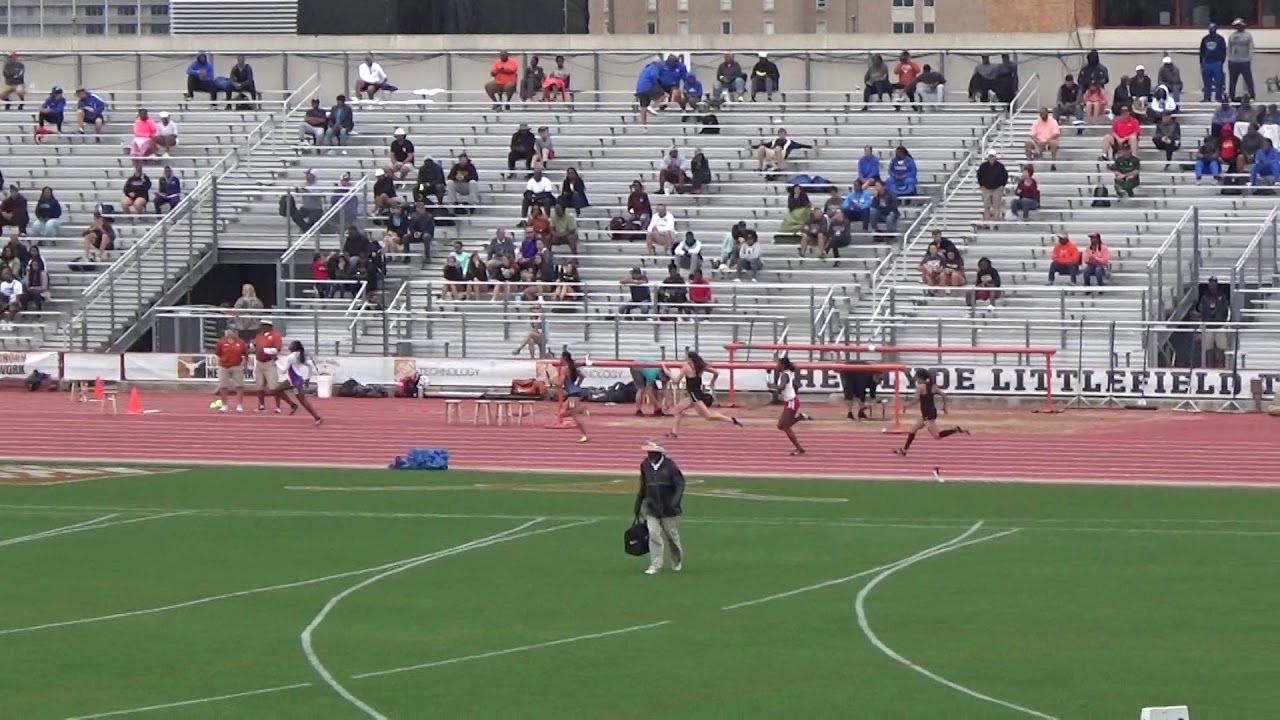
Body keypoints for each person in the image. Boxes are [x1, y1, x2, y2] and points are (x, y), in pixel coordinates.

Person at [893, 369, 969, 463]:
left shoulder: (920, 387)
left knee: (937, 436)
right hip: (930, 412)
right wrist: (944, 407)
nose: (916, 379)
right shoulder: (932, 386)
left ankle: (956, 429)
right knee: (913, 430)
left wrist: (906, 406)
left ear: (920, 378)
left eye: (917, 377)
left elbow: (915, 400)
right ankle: (904, 450)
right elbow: (944, 395)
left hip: (927, 414)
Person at [634, 440, 686, 576]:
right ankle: (655, 564)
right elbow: (643, 484)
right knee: (653, 534)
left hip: (668, 507)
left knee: (672, 536)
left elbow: (680, 484)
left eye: (652, 452)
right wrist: (638, 503)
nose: (649, 454)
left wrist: (675, 501)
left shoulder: (670, 466)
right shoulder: (645, 465)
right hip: (651, 507)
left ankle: (677, 560)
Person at [666, 351, 741, 438]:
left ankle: (732, 420)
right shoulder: (700, 367)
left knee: (709, 416)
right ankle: (673, 432)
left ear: (690, 359)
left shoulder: (686, 367)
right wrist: (712, 382)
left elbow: (676, 381)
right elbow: (716, 373)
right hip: (694, 394)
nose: (685, 360)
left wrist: (668, 373)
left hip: (694, 396)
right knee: (678, 410)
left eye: (687, 358)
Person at [272, 340, 323, 426]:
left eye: (291, 344)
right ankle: (292, 405)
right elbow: (310, 366)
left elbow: (283, 370)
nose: (289, 346)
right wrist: (308, 378)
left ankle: (317, 417)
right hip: (292, 380)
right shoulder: (301, 355)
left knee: (302, 401)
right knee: (277, 390)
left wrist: (276, 361)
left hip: (295, 382)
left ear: (294, 347)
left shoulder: (291, 357)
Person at [773, 356, 805, 456]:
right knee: (780, 426)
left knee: (785, 427)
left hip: (791, 402)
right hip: (790, 401)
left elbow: (782, 387)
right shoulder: (787, 373)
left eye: (778, 364)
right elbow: (794, 385)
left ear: (782, 365)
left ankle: (799, 449)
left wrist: (774, 387)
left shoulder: (785, 375)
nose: (776, 366)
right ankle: (801, 417)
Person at [250, 317, 283, 413]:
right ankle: (261, 405)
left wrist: (263, 349)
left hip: (269, 362)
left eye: (263, 325)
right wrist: (252, 345)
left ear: (268, 326)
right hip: (259, 362)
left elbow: (276, 349)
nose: (261, 327)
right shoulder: (259, 336)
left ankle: (278, 406)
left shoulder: (276, 336)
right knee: (259, 386)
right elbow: (253, 348)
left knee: (274, 387)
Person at [211, 326, 248, 413]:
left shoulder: (241, 342)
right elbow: (218, 354)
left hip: (236, 366)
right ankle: (224, 405)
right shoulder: (221, 342)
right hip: (223, 366)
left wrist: (245, 364)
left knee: (239, 386)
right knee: (223, 386)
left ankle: (239, 405)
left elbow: (246, 354)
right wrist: (219, 363)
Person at [558, 350, 589, 444]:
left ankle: (585, 435)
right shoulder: (573, 367)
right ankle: (581, 410)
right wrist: (578, 385)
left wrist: (556, 382)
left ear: (564, 358)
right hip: (573, 393)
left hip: (573, 395)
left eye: (560, 357)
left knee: (575, 416)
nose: (559, 359)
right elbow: (582, 376)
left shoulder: (565, 368)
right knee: (562, 413)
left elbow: (560, 383)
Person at [1200, 22, 1227, 102]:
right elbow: (1202, 51)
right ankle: (1207, 97)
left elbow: (1223, 50)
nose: (1211, 30)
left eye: (1213, 28)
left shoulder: (1220, 39)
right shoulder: (1205, 39)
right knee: (1207, 81)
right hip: (1207, 62)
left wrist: (1221, 60)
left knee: (1218, 81)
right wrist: (1202, 62)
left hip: (1217, 62)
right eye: (1210, 29)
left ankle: (1218, 97)